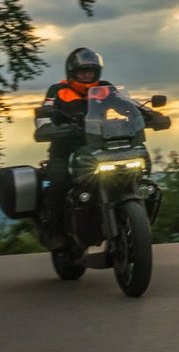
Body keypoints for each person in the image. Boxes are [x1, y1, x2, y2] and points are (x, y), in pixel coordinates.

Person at [33, 48, 165, 232]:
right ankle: (56, 232)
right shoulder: (59, 91)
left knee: (135, 172)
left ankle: (132, 217)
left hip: (100, 146)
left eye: (91, 71)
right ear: (72, 72)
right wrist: (46, 126)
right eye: (82, 71)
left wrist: (152, 115)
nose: (87, 75)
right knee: (60, 181)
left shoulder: (104, 89)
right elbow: (45, 111)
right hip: (66, 149)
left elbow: (127, 103)